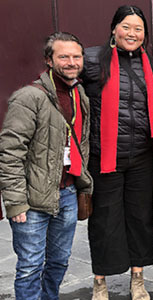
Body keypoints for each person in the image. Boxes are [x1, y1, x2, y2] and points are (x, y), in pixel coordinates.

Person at [0, 32, 92, 300]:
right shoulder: (28, 97)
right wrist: (16, 202)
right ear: (49, 60)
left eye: (76, 56)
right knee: (29, 267)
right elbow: (9, 152)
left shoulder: (79, 94)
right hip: (33, 199)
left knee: (59, 262)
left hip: (67, 193)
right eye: (63, 56)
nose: (71, 62)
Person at [80, 5, 153, 300]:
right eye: (126, 27)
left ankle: (137, 279)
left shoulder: (151, 65)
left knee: (141, 219)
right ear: (114, 28)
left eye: (138, 29)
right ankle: (100, 281)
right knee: (104, 219)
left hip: (140, 156)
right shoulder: (90, 59)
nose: (132, 33)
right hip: (104, 157)